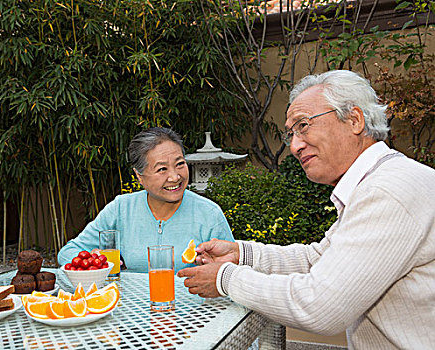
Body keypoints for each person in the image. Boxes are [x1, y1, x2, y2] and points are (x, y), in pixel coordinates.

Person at [178, 70, 435, 349]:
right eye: (291, 133)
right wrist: (242, 254)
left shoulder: (386, 191)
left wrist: (225, 279)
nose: (295, 145)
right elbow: (319, 259)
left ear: (354, 120)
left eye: (303, 125)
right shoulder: (378, 181)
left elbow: (321, 306)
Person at [58, 127, 234, 272]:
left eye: (180, 164)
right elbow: (67, 253)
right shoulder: (122, 208)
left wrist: (217, 269)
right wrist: (93, 261)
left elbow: (232, 269)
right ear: (139, 176)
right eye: (162, 169)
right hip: (132, 306)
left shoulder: (209, 213)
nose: (175, 177)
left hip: (193, 309)